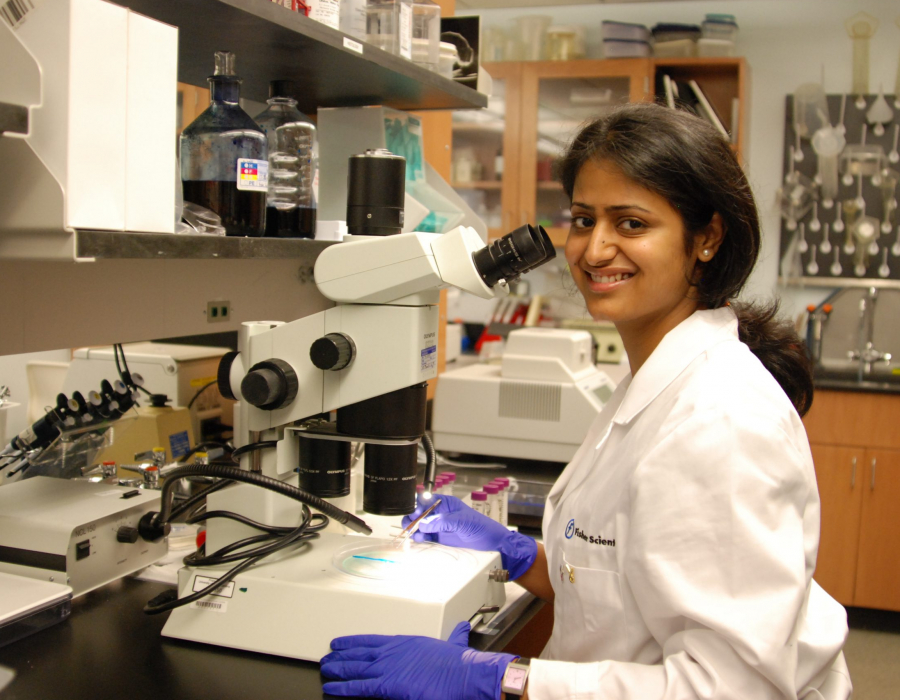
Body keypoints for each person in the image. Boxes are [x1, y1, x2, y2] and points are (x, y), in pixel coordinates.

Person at [319, 103, 852, 700]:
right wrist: (526, 557)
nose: (594, 251)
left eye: (630, 224)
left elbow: (733, 689)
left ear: (706, 237)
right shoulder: (653, 380)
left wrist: (498, 677)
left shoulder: (720, 422)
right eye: (582, 219)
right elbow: (631, 587)